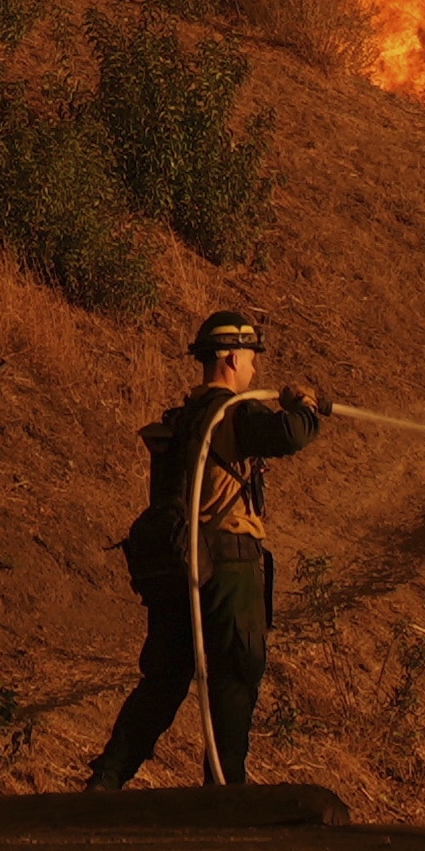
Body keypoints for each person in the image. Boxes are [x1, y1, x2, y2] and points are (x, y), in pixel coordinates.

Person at [84, 308, 331, 790]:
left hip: (178, 563)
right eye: (252, 359)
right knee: (235, 675)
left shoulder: (184, 419)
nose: (255, 370)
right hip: (228, 563)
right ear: (233, 357)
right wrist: (306, 404)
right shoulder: (233, 411)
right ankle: (226, 788)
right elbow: (290, 434)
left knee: (165, 677)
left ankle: (108, 777)